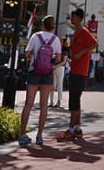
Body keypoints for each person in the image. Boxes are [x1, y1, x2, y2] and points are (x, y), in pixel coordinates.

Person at [18, 15, 61, 147]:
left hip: (33, 72)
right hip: (47, 74)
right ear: (53, 26)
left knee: (28, 104)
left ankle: (22, 134)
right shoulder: (56, 39)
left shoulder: (36, 36)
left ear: (42, 24)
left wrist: (33, 55)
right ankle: (39, 135)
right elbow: (58, 59)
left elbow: (27, 53)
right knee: (44, 105)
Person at [57, 8, 97, 141]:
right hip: (74, 69)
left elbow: (95, 44)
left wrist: (82, 53)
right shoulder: (76, 33)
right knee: (75, 100)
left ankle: (71, 128)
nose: (71, 19)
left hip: (80, 71)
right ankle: (77, 128)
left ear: (79, 18)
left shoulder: (84, 32)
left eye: (73, 17)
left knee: (74, 101)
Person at [52, 37, 69, 108]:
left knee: (59, 85)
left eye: (61, 41)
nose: (60, 42)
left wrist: (56, 66)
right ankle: (51, 101)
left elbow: (64, 62)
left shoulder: (65, 51)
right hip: (54, 68)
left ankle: (59, 101)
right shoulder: (56, 49)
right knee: (52, 85)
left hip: (60, 68)